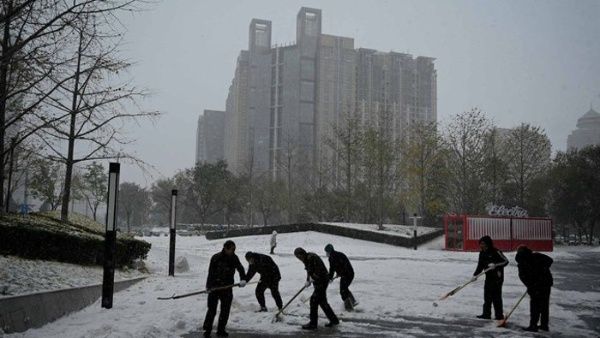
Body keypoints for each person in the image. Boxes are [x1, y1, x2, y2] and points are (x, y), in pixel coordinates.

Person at [203, 240, 246, 338]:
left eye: (234, 249)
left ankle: (221, 330)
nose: (233, 251)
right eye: (231, 249)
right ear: (225, 248)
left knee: (225, 310)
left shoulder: (234, 258)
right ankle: (207, 330)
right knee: (212, 310)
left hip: (227, 288)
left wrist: (243, 279)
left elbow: (240, 268)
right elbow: (210, 273)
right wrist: (208, 286)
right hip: (214, 288)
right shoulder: (216, 258)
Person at [294, 247, 339, 330]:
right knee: (322, 302)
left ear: (302, 253)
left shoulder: (311, 257)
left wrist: (313, 277)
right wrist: (308, 280)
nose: (299, 259)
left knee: (313, 301)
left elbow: (319, 271)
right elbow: (309, 270)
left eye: (299, 256)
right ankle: (334, 320)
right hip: (319, 281)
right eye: (297, 257)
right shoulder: (306, 258)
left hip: (321, 281)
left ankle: (313, 324)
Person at [515, 245, 553, 332]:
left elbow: (550, 261)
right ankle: (543, 325)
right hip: (539, 285)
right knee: (543, 305)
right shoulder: (524, 260)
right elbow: (523, 277)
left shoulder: (536, 256)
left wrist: (542, 270)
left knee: (536, 305)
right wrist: (530, 285)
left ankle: (534, 325)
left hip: (544, 284)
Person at [472, 235, 509, 320]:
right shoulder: (482, 253)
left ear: (488, 244)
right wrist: (475, 275)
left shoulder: (496, 251)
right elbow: (480, 265)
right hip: (488, 278)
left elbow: (506, 261)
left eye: (483, 244)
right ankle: (486, 314)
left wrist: (495, 265)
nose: (481, 245)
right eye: (480, 244)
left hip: (497, 278)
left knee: (496, 297)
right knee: (487, 297)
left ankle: (499, 316)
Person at [324, 244, 357, 310]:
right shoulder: (335, 256)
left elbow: (345, 265)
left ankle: (349, 306)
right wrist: (330, 277)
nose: (326, 254)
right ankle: (352, 301)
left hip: (348, 274)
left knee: (343, 290)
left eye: (327, 252)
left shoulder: (336, 257)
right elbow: (333, 269)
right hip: (347, 274)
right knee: (344, 289)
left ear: (329, 251)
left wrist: (339, 273)